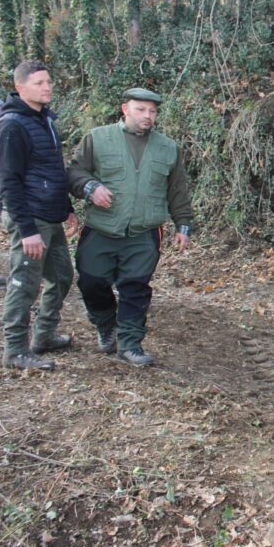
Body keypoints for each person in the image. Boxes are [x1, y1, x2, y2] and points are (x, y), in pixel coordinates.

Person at [67, 88, 193, 367]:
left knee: (135, 287)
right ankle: (105, 323)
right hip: (101, 228)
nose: (148, 116)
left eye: (153, 111)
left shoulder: (167, 147)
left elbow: (178, 191)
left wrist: (183, 225)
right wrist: (90, 187)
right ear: (125, 108)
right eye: (141, 109)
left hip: (144, 233)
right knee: (91, 283)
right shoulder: (98, 139)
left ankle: (130, 344)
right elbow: (75, 172)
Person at [0, 61, 79, 370]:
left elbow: (51, 170)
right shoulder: (12, 125)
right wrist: (27, 229)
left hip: (50, 215)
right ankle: (15, 351)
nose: (47, 87)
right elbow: (8, 181)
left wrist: (67, 207)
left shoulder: (44, 119)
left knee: (61, 276)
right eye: (40, 83)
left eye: (49, 81)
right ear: (20, 89)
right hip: (31, 219)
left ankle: (43, 336)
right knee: (24, 283)